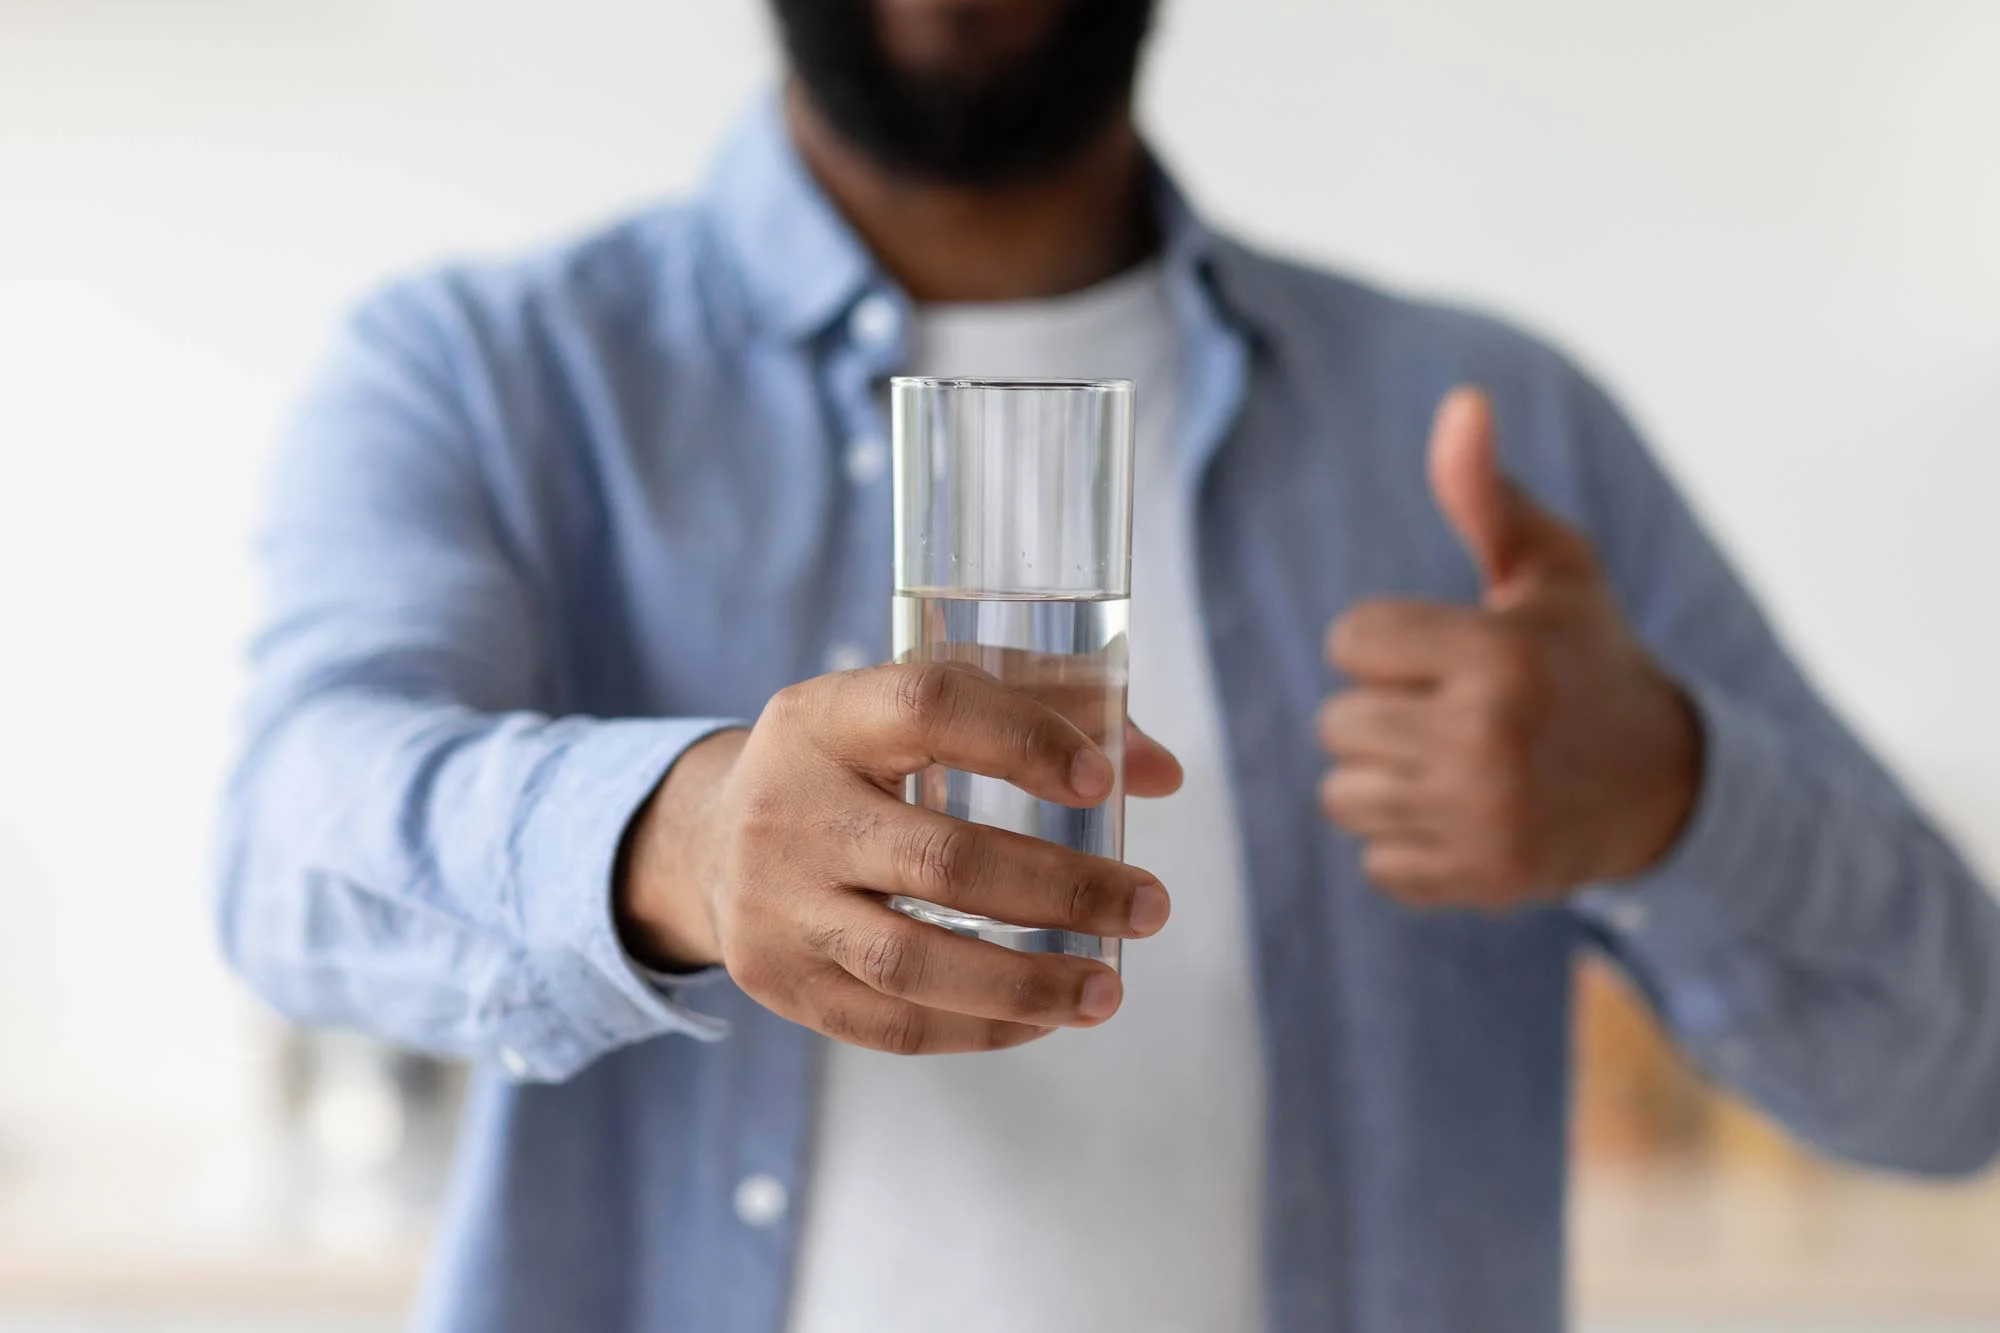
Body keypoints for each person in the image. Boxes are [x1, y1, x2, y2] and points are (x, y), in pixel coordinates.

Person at [214, 2, 2000, 1330]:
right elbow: (285, 857)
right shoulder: (491, 374)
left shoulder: (1487, 427)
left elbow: (1956, 1078)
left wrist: (1685, 799)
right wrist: (669, 843)